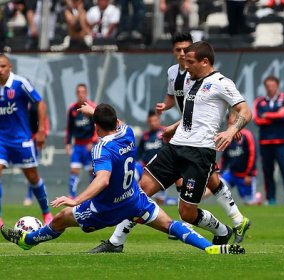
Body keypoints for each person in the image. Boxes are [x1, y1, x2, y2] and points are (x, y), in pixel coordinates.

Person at [0, 103, 245, 255]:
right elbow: (118, 121)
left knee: (60, 220)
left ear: (95, 125)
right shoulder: (126, 133)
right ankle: (210, 248)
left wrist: (76, 199)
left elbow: (102, 180)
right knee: (170, 224)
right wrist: (95, 110)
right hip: (134, 199)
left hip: (105, 208)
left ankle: (27, 241)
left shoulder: (101, 148)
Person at [89, 39, 253, 253]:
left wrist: (231, 130)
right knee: (138, 192)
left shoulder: (222, 82)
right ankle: (116, 242)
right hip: (175, 147)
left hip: (199, 153)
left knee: (186, 213)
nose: (187, 66)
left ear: (204, 61)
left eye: (191, 62)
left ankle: (222, 231)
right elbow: (191, 114)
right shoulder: (190, 81)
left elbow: (245, 111)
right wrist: (173, 128)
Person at [0, 54, 53, 226]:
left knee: (32, 177)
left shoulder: (20, 83)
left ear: (10, 67)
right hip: (1, 140)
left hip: (21, 139)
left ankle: (46, 213)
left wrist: (41, 130)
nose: (0, 70)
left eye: (3, 66)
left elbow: (40, 103)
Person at [253, 76, 284, 205]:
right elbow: (257, 119)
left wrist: (267, 115)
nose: (270, 88)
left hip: (283, 143)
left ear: (277, 86)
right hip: (265, 143)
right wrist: (275, 116)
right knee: (268, 172)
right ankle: (271, 199)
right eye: (267, 86)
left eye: (272, 85)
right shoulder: (259, 101)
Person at [220, 111, 261, 206]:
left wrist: (250, 174)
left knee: (248, 203)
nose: (229, 125)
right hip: (232, 174)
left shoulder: (247, 136)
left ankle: (257, 197)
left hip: (245, 176)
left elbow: (253, 155)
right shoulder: (227, 137)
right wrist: (220, 172)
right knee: (218, 185)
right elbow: (224, 158)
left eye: (232, 123)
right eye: (229, 123)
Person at [65, 84, 97, 199]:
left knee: (92, 171)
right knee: (74, 170)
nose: (80, 94)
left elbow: (97, 126)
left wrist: (93, 141)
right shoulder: (72, 109)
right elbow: (69, 128)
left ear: (86, 93)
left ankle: (94, 195)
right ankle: (72, 196)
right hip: (77, 145)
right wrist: (68, 143)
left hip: (89, 145)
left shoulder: (92, 108)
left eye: (83, 92)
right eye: (78, 92)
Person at [136, 109, 168, 205]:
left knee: (160, 200)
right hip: (147, 170)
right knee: (143, 196)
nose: (153, 123)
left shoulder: (165, 133)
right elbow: (139, 153)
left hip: (162, 170)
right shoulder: (145, 136)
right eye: (150, 121)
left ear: (159, 120)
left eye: (155, 121)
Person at [23, 102, 50, 206]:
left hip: (33, 140)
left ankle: (30, 196)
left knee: (31, 170)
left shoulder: (37, 103)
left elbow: (44, 120)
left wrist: (43, 134)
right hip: (21, 139)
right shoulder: (19, 102)